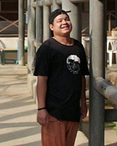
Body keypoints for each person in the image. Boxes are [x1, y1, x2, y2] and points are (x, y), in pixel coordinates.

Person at [34, 9, 90, 146]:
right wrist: (41, 109)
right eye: (59, 21)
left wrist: (83, 103)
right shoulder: (47, 49)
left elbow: (81, 77)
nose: (64, 22)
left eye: (66, 19)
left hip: (73, 111)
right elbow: (41, 81)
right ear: (51, 27)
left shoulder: (78, 47)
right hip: (54, 112)